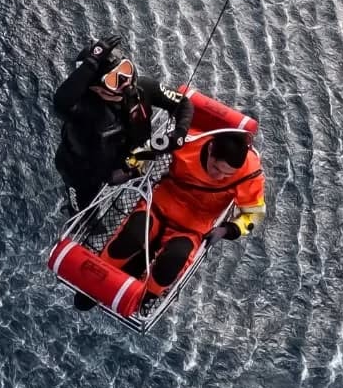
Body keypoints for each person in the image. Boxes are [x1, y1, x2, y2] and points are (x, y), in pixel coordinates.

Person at [82, 130, 265, 312]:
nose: (219, 177)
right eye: (216, 168)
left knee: (174, 260)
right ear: (210, 149)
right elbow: (147, 150)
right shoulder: (187, 141)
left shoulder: (249, 173)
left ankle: (143, 297)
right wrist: (131, 167)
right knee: (130, 237)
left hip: (191, 229)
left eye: (227, 175)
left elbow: (255, 214)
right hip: (157, 206)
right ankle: (96, 278)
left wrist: (229, 229)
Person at [52, 34, 194, 212]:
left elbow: (183, 103)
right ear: (95, 88)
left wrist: (180, 133)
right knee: (82, 208)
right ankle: (80, 213)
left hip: (131, 158)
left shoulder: (144, 88)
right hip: (84, 172)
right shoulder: (84, 111)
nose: (125, 81)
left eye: (126, 70)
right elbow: (60, 104)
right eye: (113, 79)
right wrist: (91, 63)